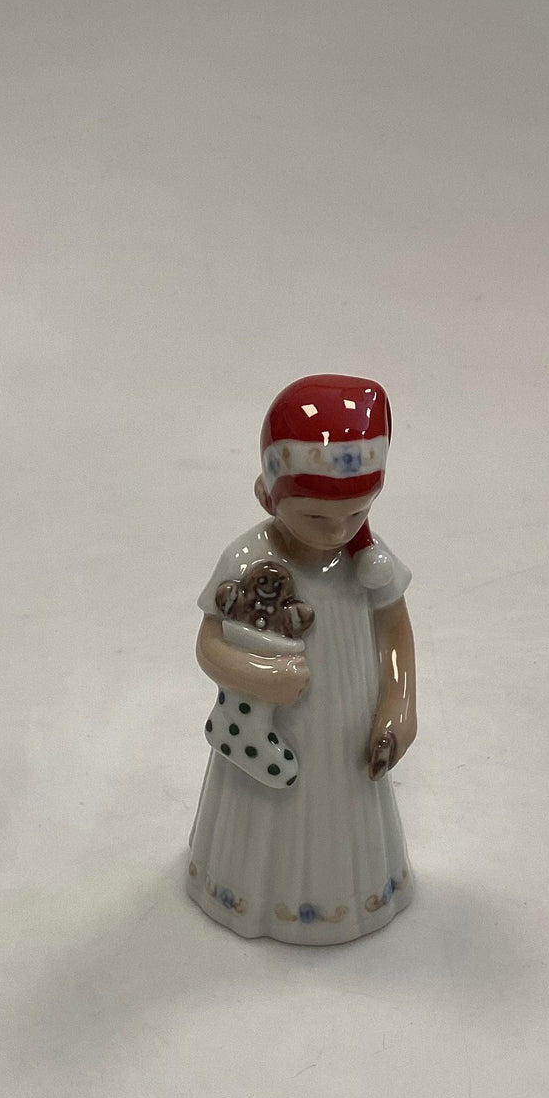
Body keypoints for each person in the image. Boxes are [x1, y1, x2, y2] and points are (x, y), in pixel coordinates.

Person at [187, 374, 417, 945]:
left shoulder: (368, 564)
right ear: (268, 497)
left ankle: (349, 897)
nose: (338, 531)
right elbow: (208, 644)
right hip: (270, 730)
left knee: (343, 802)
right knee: (264, 806)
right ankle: (249, 892)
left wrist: (399, 703)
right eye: (316, 517)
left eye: (357, 513)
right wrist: (256, 673)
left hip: (347, 723)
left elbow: (395, 631)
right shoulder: (247, 560)